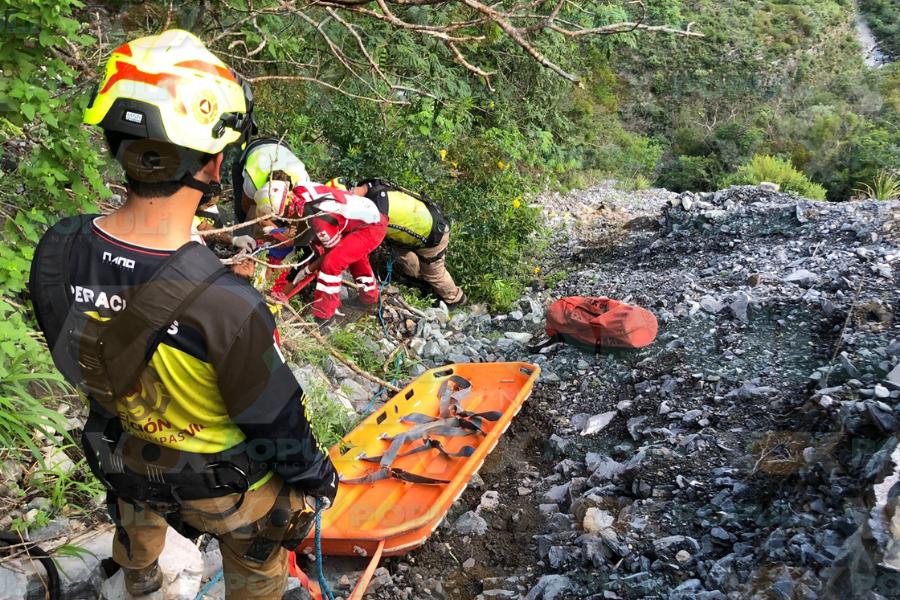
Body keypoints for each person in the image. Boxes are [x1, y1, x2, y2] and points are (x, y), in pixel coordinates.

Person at [28, 30, 337, 600]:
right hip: (221, 488)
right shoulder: (225, 304)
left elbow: (68, 349)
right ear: (213, 166)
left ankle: (140, 575)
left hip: (121, 453)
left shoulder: (59, 247)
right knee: (260, 562)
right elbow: (277, 425)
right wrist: (319, 478)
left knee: (135, 500)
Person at [254, 179, 387, 325]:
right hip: (362, 214)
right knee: (355, 257)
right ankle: (370, 298)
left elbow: (329, 253)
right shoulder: (300, 190)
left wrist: (305, 271)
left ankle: (324, 316)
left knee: (333, 263)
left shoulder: (320, 221)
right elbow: (297, 227)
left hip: (372, 226)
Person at [350, 179, 465, 307]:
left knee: (433, 273)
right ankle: (424, 285)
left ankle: (456, 300)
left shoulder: (374, 213)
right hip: (422, 223)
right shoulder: (371, 187)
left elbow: (365, 242)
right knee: (409, 263)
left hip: (433, 233)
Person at [231, 138, 309, 226]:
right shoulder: (252, 182)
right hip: (253, 149)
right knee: (242, 217)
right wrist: (271, 228)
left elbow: (302, 213)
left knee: (285, 221)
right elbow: (246, 207)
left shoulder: (302, 181)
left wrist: (286, 229)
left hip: (282, 148)